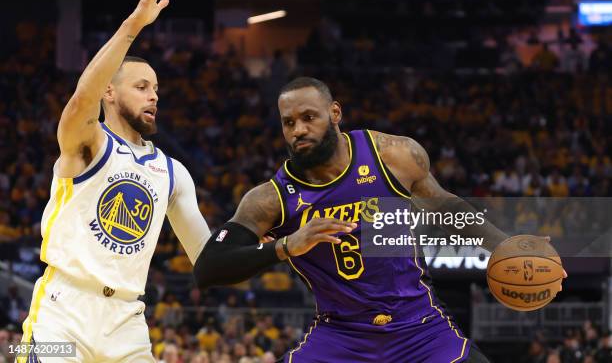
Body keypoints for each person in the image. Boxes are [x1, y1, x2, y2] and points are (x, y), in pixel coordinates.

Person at [195, 77, 523, 361]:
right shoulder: (271, 199)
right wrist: (285, 246)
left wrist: (505, 245)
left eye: (309, 117)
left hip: (420, 329)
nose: (299, 130)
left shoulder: (392, 155)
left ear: (335, 113)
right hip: (339, 336)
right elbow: (209, 269)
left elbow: (444, 207)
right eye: (289, 122)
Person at [19, 0, 211, 362]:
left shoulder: (173, 172)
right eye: (141, 87)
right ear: (109, 90)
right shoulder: (86, 142)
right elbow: (79, 101)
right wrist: (131, 27)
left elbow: (208, 258)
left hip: (127, 321)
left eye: (156, 89)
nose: (153, 96)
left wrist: (277, 248)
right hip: (61, 311)